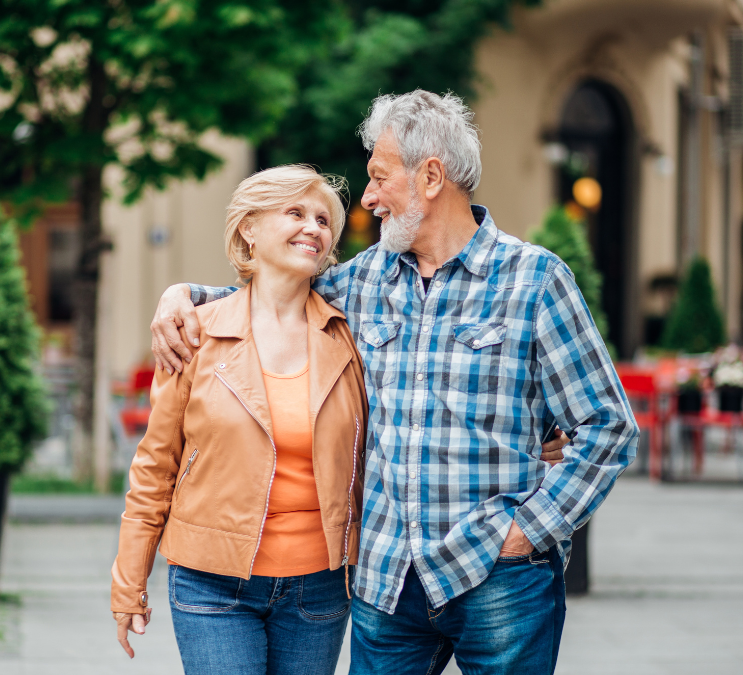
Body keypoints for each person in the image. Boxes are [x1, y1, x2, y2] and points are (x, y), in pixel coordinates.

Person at [151, 90, 639, 675]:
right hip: (387, 581)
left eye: (380, 178)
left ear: (431, 177)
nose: (370, 198)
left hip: (499, 578)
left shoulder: (534, 280)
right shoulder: (362, 280)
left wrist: (528, 530)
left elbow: (607, 427)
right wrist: (184, 298)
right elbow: (267, 298)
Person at [111, 165, 368, 675]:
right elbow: (155, 465)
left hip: (320, 585)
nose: (313, 227)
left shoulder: (348, 335)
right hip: (212, 581)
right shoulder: (194, 334)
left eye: (322, 219)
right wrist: (128, 581)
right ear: (249, 228)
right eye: (294, 212)